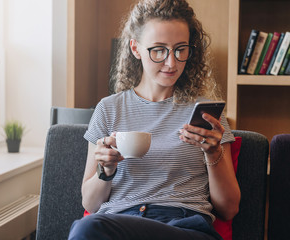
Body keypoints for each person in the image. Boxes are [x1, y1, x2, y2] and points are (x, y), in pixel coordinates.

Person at [68, 0, 240, 239]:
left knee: (86, 230)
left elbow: (229, 209)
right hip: (120, 223)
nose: (171, 62)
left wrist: (213, 154)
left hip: (184, 226)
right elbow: (91, 203)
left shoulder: (206, 114)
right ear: (136, 48)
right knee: (87, 228)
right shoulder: (109, 109)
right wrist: (105, 171)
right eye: (158, 50)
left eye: (181, 49)